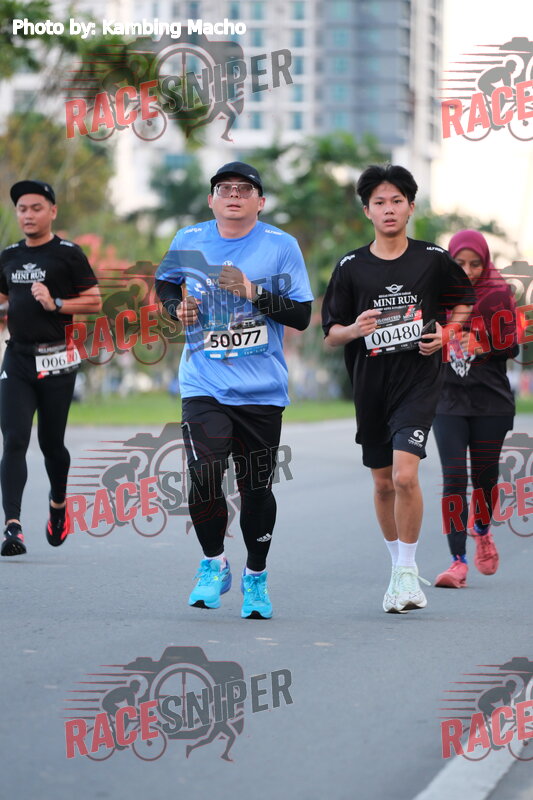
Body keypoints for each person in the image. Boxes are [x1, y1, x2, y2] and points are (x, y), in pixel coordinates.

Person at [155, 161, 313, 619]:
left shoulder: (281, 246)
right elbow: (164, 283)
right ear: (211, 200)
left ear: (260, 201)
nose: (234, 196)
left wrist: (251, 291)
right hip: (203, 383)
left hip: (261, 391)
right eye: (224, 189)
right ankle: (213, 563)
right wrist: (176, 307)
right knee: (204, 473)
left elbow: (302, 315)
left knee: (255, 489)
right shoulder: (188, 239)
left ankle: (256, 575)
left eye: (245, 190)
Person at [321, 164, 475, 613]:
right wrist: (355, 329)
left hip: (418, 381)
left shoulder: (432, 258)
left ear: (410, 207)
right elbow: (331, 334)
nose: (388, 209)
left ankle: (408, 572)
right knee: (383, 482)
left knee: (406, 475)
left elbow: (464, 300)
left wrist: (447, 333)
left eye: (396, 201)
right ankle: (398, 568)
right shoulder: (351, 267)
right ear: (366, 211)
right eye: (379, 202)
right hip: (371, 386)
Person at [0, 180, 101, 556]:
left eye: (36, 208)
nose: (28, 215)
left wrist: (55, 302)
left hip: (58, 358)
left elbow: (94, 301)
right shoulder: (8, 256)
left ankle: (58, 504)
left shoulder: (68, 254)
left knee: (51, 444)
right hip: (18, 358)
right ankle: (13, 526)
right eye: (22, 209)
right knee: (14, 439)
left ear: (52, 211)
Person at [433, 230, 517, 588]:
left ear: (485, 264)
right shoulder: (436, 295)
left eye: (474, 264)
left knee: (485, 479)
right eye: (459, 263)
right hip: (447, 400)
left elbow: (513, 346)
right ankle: (458, 562)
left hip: (490, 403)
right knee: (453, 478)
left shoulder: (498, 294)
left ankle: (482, 529)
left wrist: (482, 344)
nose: (467, 271)